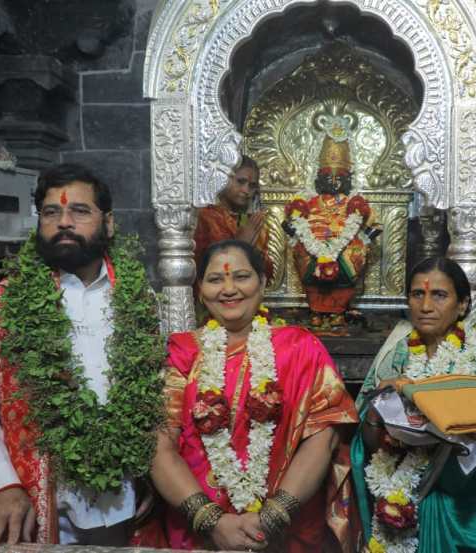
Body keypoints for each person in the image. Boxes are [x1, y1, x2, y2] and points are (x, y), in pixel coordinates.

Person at [0, 163, 164, 547]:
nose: (64, 222)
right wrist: (2, 487)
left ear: (109, 223)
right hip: (34, 503)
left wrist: (155, 473)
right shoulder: (1, 302)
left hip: (128, 504)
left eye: (79, 211)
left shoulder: (139, 300)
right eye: (51, 212)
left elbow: (157, 397)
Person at [149, 239, 359, 552]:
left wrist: (273, 517)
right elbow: (159, 445)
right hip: (197, 530)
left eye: (241, 277)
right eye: (215, 279)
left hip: (287, 529)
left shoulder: (300, 348)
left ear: (262, 283)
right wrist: (212, 521)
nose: (228, 289)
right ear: (200, 290)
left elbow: (324, 437)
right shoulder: (182, 353)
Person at [351, 256, 476, 553]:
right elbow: (367, 445)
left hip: (461, 506)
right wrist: (377, 408)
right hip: (398, 500)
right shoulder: (395, 355)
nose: (425, 306)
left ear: (462, 304)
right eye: (417, 294)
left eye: (439, 295)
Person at [283, 133, 379, 332]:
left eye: (339, 178)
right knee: (303, 252)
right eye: (329, 177)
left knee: (353, 254)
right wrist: (292, 228)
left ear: (346, 180)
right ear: (320, 179)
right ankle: (316, 312)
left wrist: (367, 236)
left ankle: (338, 312)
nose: (334, 182)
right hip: (313, 250)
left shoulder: (354, 203)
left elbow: (373, 224)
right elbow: (295, 222)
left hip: (342, 251)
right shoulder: (309, 202)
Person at [193, 155, 273, 300]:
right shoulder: (206, 217)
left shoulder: (253, 222)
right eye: (241, 182)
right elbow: (201, 269)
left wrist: (255, 253)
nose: (246, 190)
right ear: (223, 178)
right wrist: (241, 246)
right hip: (213, 302)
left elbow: (266, 275)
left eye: (252, 185)